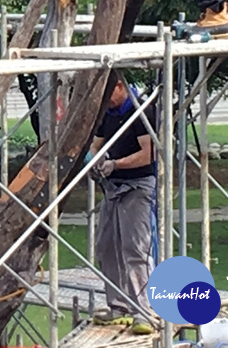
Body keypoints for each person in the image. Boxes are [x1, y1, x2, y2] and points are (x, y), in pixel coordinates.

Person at [91, 77, 157, 335]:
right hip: (112, 187)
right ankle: (118, 306)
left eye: (110, 94)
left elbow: (148, 153)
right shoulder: (108, 112)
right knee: (106, 246)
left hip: (137, 186)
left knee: (135, 248)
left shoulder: (140, 110)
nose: (107, 101)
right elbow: (96, 144)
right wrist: (95, 158)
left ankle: (144, 311)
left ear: (120, 86)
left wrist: (116, 163)